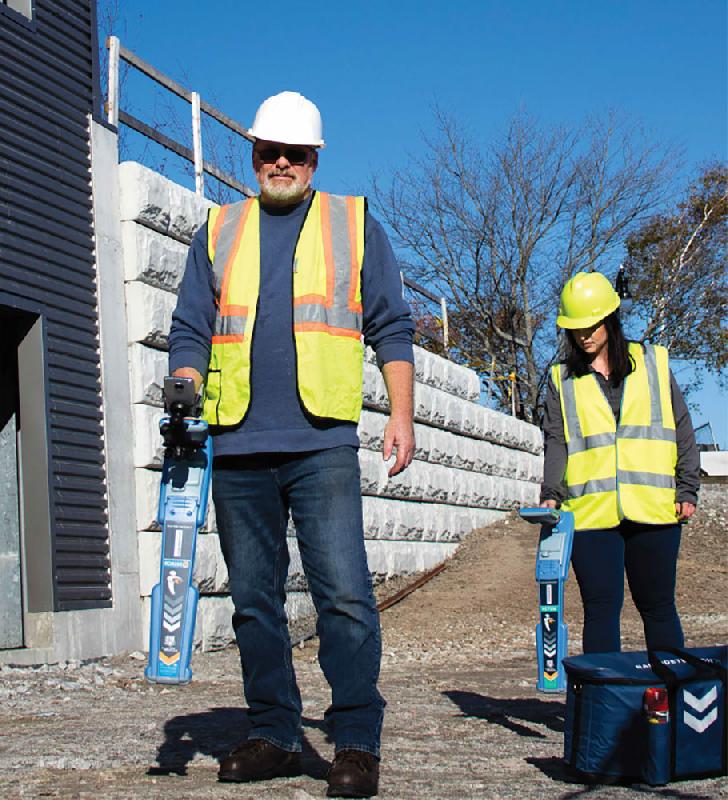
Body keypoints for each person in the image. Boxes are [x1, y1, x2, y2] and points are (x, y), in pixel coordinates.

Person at [168, 91, 415, 797]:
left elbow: (390, 326)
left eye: (294, 153)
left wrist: (402, 416)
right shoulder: (217, 230)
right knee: (253, 599)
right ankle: (274, 732)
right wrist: (184, 377)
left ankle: (356, 740)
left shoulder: (354, 223)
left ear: (314, 159)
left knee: (342, 593)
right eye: (269, 151)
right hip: (237, 443)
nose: (281, 163)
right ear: (251, 155)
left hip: (321, 443)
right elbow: (190, 327)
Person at [539, 271, 700, 655]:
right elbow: (556, 442)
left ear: (610, 319)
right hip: (592, 514)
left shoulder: (653, 363)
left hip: (655, 508)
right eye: (576, 328)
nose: (585, 335)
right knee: (600, 610)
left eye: (592, 325)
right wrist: (551, 494)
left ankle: (669, 701)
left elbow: (681, 426)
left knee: (658, 607)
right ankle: (605, 706)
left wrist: (687, 485)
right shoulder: (561, 379)